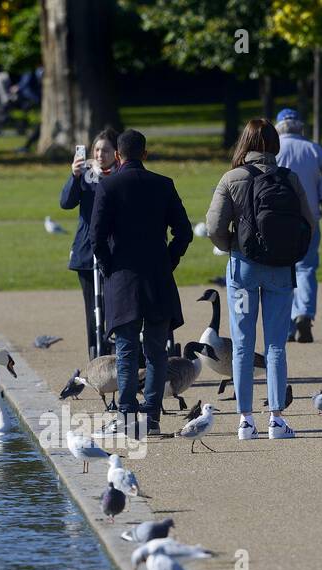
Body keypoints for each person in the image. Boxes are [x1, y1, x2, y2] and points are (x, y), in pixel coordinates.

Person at [207, 118, 314, 440]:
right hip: (281, 270)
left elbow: (213, 227)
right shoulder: (289, 178)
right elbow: (307, 224)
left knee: (241, 345)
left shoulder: (232, 178)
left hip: (243, 268)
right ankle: (276, 419)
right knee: (275, 345)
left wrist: (233, 247)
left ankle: (245, 420)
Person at [91, 129, 192, 435]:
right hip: (157, 276)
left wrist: (109, 267)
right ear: (145, 154)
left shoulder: (109, 185)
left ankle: (125, 414)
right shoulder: (163, 184)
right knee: (156, 351)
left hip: (123, 277)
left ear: (118, 155)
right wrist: (169, 259)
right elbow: (184, 232)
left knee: (125, 351)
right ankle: (151, 416)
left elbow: (95, 237)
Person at [275, 108, 322, 343]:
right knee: (306, 268)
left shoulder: (273, 151)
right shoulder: (315, 150)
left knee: (280, 271)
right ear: (300, 126)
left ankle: (287, 325)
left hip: (278, 222)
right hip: (308, 220)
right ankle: (304, 314)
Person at [60, 127, 119, 359]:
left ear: (116, 152)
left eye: (105, 150)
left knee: (115, 304)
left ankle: (117, 351)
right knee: (93, 310)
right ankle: (95, 356)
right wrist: (74, 176)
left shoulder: (120, 175)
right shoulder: (85, 174)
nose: (99, 154)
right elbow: (65, 202)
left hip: (114, 250)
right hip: (87, 252)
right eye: (96, 149)